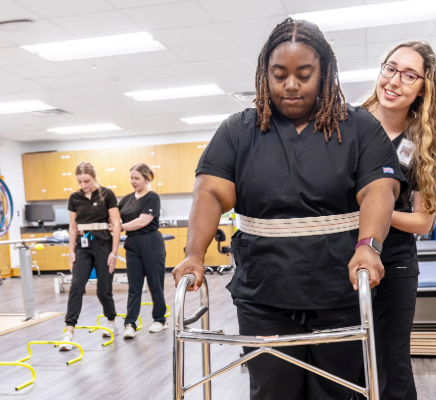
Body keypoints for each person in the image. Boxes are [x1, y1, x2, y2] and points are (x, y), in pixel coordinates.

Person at [171, 18, 403, 400]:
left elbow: (380, 189)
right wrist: (195, 254)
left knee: (335, 392)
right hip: (264, 294)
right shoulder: (238, 131)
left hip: (338, 293)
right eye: (279, 75)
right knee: (273, 391)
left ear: (324, 74)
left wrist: (368, 245)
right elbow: (210, 193)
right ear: (265, 76)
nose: (290, 85)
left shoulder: (359, 127)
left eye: (303, 74)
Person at [358, 40, 436, 400]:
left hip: (395, 264)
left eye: (409, 75)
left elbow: (424, 223)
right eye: (390, 68)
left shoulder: (423, 143)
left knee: (392, 360)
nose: (394, 81)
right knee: (347, 358)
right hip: (344, 260)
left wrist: (376, 212)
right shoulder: (350, 125)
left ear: (424, 88)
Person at [61, 161, 121, 350]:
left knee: (103, 289)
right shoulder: (74, 198)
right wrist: (71, 251)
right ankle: (69, 330)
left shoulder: (107, 194)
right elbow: (72, 226)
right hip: (82, 247)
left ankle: (111, 320)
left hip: (103, 245)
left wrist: (114, 252)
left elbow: (117, 224)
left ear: (94, 177)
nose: (83, 185)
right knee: (76, 286)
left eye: (87, 181)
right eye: (80, 182)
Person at [117, 163, 168, 339]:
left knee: (155, 283)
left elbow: (142, 221)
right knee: (134, 286)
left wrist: (119, 226)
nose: (133, 181)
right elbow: (113, 215)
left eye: (137, 178)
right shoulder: (125, 199)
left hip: (151, 242)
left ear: (147, 178)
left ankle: (160, 320)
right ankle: (130, 323)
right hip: (132, 244)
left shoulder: (152, 197)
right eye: (131, 178)